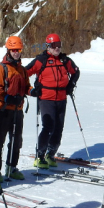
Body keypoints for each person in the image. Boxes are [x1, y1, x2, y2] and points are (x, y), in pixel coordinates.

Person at [25, 33, 80, 169]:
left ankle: (51, 154)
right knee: (48, 127)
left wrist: (70, 85)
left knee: (58, 128)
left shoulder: (64, 60)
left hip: (61, 99)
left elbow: (76, 72)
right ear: (48, 46)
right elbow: (24, 73)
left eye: (59, 45)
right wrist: (31, 89)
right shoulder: (41, 60)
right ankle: (40, 155)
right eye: (54, 46)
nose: (57, 48)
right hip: (46, 99)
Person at [0, 36, 31, 181]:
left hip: (17, 110)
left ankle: (11, 167)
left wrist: (33, 91)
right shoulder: (1, 68)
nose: (16, 52)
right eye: (13, 50)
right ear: (8, 50)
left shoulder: (22, 70)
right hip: (2, 110)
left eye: (18, 49)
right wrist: (8, 98)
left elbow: (26, 87)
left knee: (16, 141)